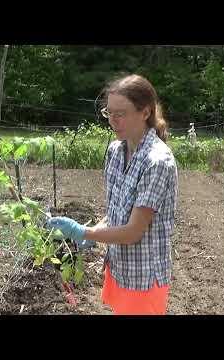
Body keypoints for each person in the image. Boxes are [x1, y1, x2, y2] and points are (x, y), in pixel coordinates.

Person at [47, 74, 178, 315]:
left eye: (122, 114)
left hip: (143, 277)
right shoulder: (116, 151)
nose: (114, 121)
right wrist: (95, 232)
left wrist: (82, 231)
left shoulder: (157, 162)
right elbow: (117, 210)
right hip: (119, 267)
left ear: (145, 112)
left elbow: (132, 232)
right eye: (109, 113)